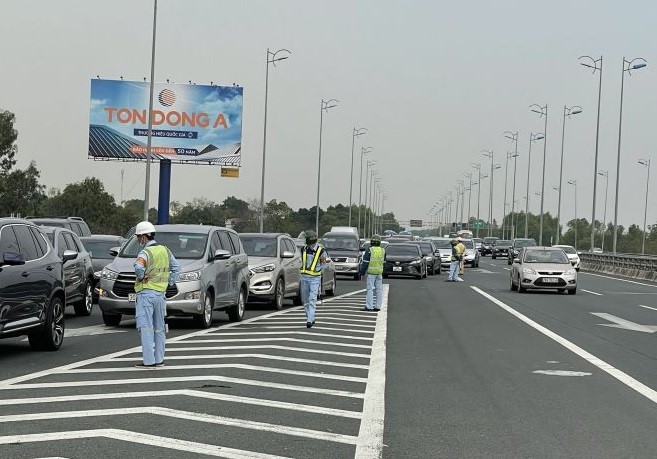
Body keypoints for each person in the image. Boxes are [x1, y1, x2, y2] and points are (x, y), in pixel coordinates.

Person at [133, 221, 180, 368]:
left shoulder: (145, 252)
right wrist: (169, 282)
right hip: (161, 295)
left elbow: (138, 267)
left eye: (138, 237)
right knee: (159, 328)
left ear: (143, 237)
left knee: (146, 327)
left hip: (146, 294)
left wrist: (141, 277)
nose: (138, 240)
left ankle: (149, 361)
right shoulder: (165, 250)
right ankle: (159, 360)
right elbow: (176, 267)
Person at [299, 230, 328, 328]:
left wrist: (321, 273)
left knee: (312, 299)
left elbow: (324, 265)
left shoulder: (321, 251)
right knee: (305, 300)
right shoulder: (303, 249)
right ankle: (310, 317)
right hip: (304, 278)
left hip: (315, 278)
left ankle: (309, 321)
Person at [360, 234, 385, 311]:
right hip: (379, 273)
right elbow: (384, 262)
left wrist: (362, 273)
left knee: (370, 289)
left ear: (371, 242)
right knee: (379, 290)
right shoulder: (383, 250)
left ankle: (369, 306)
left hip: (371, 273)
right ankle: (378, 306)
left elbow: (365, 263)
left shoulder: (369, 250)